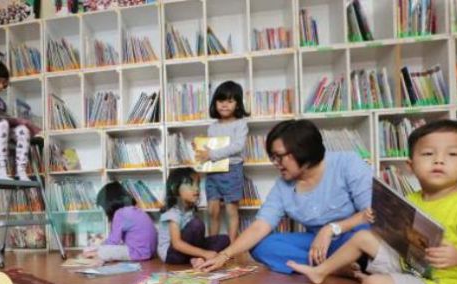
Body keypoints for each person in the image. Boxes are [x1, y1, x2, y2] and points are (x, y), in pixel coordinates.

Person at [288, 120, 457, 284]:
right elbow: (398, 238)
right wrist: (382, 222)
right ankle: (320, 271)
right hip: (410, 265)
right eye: (428, 154)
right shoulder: (412, 199)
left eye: (452, 154)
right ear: (410, 165)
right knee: (363, 236)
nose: (439, 160)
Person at [199, 119, 372, 273]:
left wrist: (332, 229)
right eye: (272, 157)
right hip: (315, 244)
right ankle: (335, 268)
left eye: (279, 157)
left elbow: (371, 214)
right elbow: (260, 226)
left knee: (366, 235)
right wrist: (224, 255)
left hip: (350, 237)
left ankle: (333, 264)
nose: (275, 163)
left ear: (302, 151)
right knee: (262, 246)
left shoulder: (348, 163)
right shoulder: (283, 186)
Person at [195, 81, 249, 243]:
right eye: (220, 101)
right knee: (213, 211)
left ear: (238, 104)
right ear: (215, 103)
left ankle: (232, 246)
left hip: (232, 170)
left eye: (230, 101)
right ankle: (213, 244)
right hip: (213, 172)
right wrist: (199, 147)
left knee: (232, 210)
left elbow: (237, 146)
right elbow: (210, 149)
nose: (224, 105)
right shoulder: (212, 127)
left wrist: (211, 154)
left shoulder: (240, 124)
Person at [157, 168, 230, 266]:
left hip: (186, 249)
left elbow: (195, 238)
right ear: (175, 188)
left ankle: (196, 258)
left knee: (224, 239)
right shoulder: (173, 212)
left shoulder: (189, 209)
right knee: (197, 224)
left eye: (197, 184)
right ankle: (197, 258)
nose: (196, 189)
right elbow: (177, 244)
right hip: (172, 254)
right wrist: (205, 253)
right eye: (190, 184)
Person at [83, 182, 158, 261]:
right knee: (109, 248)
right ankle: (95, 251)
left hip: (138, 253)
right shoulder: (136, 210)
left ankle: (91, 254)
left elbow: (113, 241)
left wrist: (98, 249)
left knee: (105, 251)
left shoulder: (120, 213)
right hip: (150, 252)